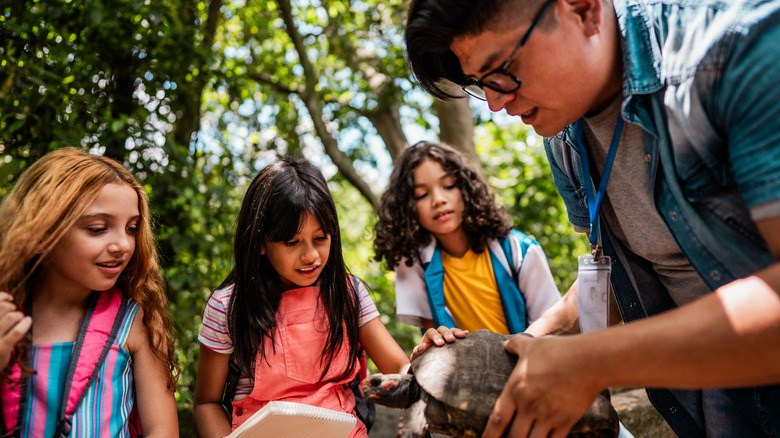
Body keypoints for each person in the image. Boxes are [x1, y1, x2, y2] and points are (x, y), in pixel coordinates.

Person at [403, 0, 780, 436]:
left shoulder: (738, 52)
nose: (494, 103)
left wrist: (593, 360)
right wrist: (518, 350)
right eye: (479, 83)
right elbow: (612, 278)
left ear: (583, 9)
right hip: (708, 396)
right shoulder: (565, 134)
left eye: (501, 69)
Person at [192, 157, 465, 438]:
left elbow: (398, 368)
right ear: (261, 241)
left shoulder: (349, 294)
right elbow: (206, 402)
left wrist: (424, 361)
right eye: (292, 242)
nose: (311, 256)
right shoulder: (228, 307)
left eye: (321, 238)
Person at [0, 147, 179, 437]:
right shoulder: (6, 316)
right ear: (42, 232)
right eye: (98, 228)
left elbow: (162, 431)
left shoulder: (137, 319)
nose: (123, 244)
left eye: (132, 228)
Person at [374, 141, 560, 334]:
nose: (438, 199)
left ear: (466, 188)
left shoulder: (520, 251)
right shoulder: (413, 262)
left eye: (448, 185)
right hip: (457, 363)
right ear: (407, 208)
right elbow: (432, 335)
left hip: (529, 359)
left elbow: (553, 329)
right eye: (421, 195)